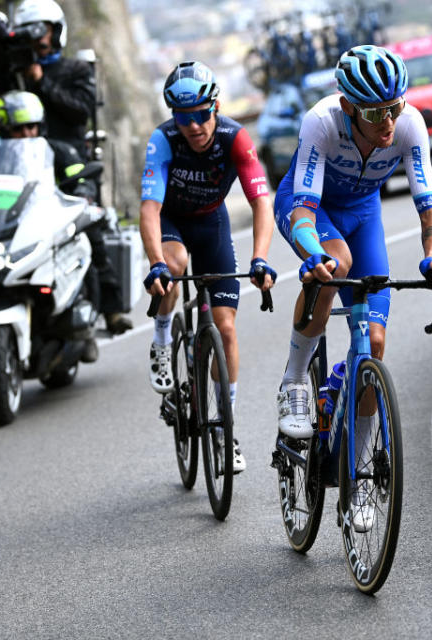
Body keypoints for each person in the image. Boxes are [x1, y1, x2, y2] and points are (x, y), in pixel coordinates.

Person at [272, 44, 432, 441]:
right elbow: (303, 210)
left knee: (373, 344)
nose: (388, 121)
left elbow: (430, 209)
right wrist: (314, 253)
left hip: (363, 213)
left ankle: (358, 491)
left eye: (395, 107)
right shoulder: (321, 122)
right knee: (335, 263)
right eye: (375, 113)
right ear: (348, 106)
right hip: (309, 208)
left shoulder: (409, 124)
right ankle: (293, 383)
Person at [140, 61, 277, 475]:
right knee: (175, 266)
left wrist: (260, 259)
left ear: (215, 106)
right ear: (174, 117)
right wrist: (155, 264)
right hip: (172, 222)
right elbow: (149, 209)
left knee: (227, 327)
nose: (195, 126)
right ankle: (163, 340)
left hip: (212, 222)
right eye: (184, 118)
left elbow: (261, 203)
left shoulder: (235, 138)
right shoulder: (162, 141)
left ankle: (224, 426)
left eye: (202, 114)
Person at [0, 90, 104, 361]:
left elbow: (80, 177)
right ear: (5, 130)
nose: (26, 133)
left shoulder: (57, 151)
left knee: (88, 245)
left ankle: (91, 322)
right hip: (10, 229)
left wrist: (83, 194)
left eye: (31, 126)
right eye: (18, 128)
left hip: (51, 224)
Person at [0, 0, 96, 160]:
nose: (36, 38)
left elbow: (81, 112)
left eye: (43, 30)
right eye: (29, 31)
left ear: (56, 32)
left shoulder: (77, 69)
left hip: (68, 161)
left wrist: (42, 82)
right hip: (21, 161)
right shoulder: (16, 69)